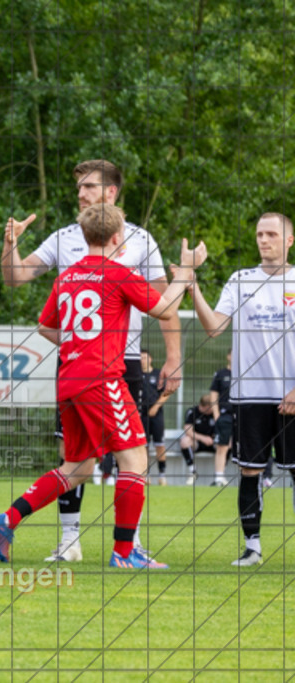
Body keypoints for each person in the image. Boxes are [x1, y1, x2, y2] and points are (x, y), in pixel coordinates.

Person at [0, 204, 203, 569]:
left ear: (85, 236)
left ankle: (6, 520)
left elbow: (44, 326)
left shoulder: (67, 276)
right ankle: (124, 553)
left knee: (78, 468)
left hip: (69, 381)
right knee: (135, 460)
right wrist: (186, 272)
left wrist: (79, 342)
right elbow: (167, 309)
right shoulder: (119, 273)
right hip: (101, 379)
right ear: (118, 238)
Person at [189, 212, 295, 567]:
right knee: (249, 471)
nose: (263, 240)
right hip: (250, 396)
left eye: (271, 234)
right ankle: (253, 548)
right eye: (259, 234)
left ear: (289, 241)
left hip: (291, 396)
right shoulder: (240, 280)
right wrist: (193, 287)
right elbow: (215, 328)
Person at [140, 349, 169, 486]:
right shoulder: (137, 375)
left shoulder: (158, 374)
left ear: (150, 359)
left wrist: (156, 407)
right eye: (140, 358)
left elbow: (166, 393)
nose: (142, 360)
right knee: (143, 446)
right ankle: (146, 475)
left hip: (156, 415)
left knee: (159, 445)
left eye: (145, 357)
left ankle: (162, 475)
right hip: (140, 415)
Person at [208, 349, 233, 487]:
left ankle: (247, 478)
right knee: (222, 447)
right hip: (225, 416)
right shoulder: (220, 374)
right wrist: (216, 414)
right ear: (228, 356)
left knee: (243, 447)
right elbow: (213, 394)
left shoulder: (246, 373)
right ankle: (219, 477)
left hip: (242, 416)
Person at [180, 394, 216, 484]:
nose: (212, 409)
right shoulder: (192, 412)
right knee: (185, 441)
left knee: (228, 443)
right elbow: (188, 431)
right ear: (204, 406)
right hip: (198, 442)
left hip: (214, 442)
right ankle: (193, 472)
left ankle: (219, 477)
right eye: (210, 407)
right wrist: (203, 438)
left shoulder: (215, 412)